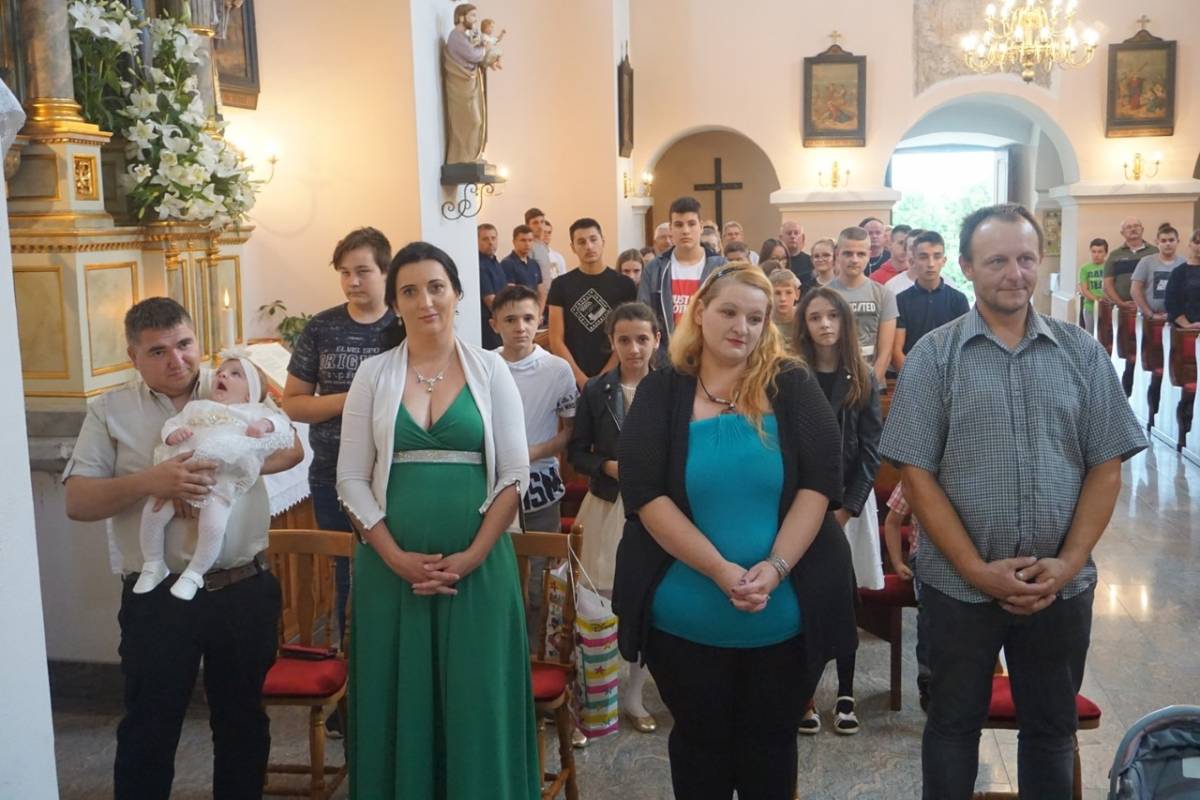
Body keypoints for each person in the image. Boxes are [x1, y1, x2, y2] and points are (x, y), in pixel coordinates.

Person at [880, 204, 1146, 800]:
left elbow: (1106, 465)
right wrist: (976, 570)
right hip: (958, 588)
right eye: (996, 260)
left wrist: (1069, 562)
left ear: (1040, 261)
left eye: (1025, 258)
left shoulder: (1080, 352)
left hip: (1059, 588)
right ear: (968, 266)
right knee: (952, 727)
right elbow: (917, 475)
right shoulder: (935, 356)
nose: (1014, 273)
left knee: (1051, 732)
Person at [613, 263, 857, 800]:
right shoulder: (662, 391)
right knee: (699, 751)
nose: (741, 327)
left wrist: (775, 567)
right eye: (728, 312)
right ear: (700, 312)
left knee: (771, 752)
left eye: (755, 317)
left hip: (784, 614)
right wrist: (722, 571)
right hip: (685, 616)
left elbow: (820, 484)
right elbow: (645, 494)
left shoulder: (792, 385)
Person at [64, 297, 303, 800]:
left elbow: (292, 448)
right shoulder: (109, 410)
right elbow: (79, 501)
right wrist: (154, 481)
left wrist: (216, 470)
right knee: (149, 727)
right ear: (133, 357)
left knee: (242, 724)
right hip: (158, 598)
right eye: (158, 351)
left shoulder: (233, 382)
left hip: (241, 587)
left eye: (185, 344)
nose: (177, 360)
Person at [337, 241, 540, 799]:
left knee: (478, 699)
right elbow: (350, 477)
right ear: (395, 303)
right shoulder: (373, 374)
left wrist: (473, 555)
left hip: (478, 569)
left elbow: (514, 473)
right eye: (409, 291)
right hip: (390, 573)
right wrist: (393, 556)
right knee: (395, 696)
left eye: (435, 287)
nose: (425, 301)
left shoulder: (491, 369)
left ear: (457, 293)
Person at [284, 226, 395, 644]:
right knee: (346, 572)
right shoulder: (322, 327)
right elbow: (294, 403)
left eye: (363, 271)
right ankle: (350, 664)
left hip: (391, 473)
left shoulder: (402, 326)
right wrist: (354, 399)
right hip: (331, 473)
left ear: (385, 271)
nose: (352, 281)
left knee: (391, 569)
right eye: (344, 272)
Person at [793, 286, 884, 736]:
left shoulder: (862, 377)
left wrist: (847, 509)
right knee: (805, 597)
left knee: (845, 599)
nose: (825, 324)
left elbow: (870, 450)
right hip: (800, 509)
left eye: (832, 316)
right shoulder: (791, 376)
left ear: (845, 322)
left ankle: (846, 693)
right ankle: (804, 693)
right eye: (815, 317)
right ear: (804, 325)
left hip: (848, 506)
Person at [569, 301, 662, 733]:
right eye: (624, 340)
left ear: (656, 339)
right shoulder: (597, 390)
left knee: (645, 602)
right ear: (612, 342)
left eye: (642, 339)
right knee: (598, 601)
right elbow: (577, 452)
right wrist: (607, 466)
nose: (634, 348)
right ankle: (594, 693)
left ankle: (634, 696)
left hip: (655, 510)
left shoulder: (671, 387)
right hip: (606, 505)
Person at [136, 352, 292, 601]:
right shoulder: (197, 406)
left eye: (235, 374)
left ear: (250, 393)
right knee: (152, 513)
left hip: (219, 481)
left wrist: (265, 425)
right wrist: (172, 434)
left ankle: (194, 573)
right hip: (180, 475)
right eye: (221, 371)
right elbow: (173, 423)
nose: (223, 375)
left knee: (213, 525)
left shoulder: (255, 412)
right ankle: (153, 563)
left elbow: (283, 427)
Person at [493, 283, 578, 532]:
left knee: (541, 555)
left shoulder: (558, 369)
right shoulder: (483, 366)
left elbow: (571, 429)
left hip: (541, 485)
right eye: (510, 320)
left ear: (540, 320)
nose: (520, 327)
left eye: (528, 318)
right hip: (492, 484)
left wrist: (531, 452)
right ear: (494, 324)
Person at [547, 217, 639, 388]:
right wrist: (580, 379)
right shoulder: (560, 285)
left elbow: (629, 334)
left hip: (615, 375)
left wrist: (603, 378)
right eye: (581, 242)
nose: (589, 246)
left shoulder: (624, 285)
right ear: (573, 247)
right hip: (571, 377)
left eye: (593, 239)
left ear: (603, 241)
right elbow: (555, 339)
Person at [639, 195, 727, 353]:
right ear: (671, 229)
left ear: (701, 227)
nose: (685, 231)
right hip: (666, 356)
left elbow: (728, 313)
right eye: (679, 225)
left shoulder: (721, 268)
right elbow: (644, 317)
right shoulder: (654, 269)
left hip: (709, 354)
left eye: (691, 224)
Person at [892, 230, 971, 372]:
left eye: (937, 256)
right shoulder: (901, 300)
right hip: (912, 374)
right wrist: (916, 378)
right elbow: (896, 352)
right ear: (912, 261)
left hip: (949, 375)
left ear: (944, 261)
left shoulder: (958, 299)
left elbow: (965, 346)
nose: (931, 263)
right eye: (923, 257)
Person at [830, 226, 898, 386]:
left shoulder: (884, 295)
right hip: (832, 383)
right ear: (837, 254)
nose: (854, 260)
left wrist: (870, 386)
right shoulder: (822, 295)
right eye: (848, 253)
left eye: (860, 254)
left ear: (868, 254)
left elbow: (886, 351)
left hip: (872, 384)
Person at [1103, 216, 1158, 396]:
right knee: (1129, 353)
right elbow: (1108, 283)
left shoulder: (1154, 252)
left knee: (1150, 351)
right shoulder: (1115, 255)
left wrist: (1146, 305)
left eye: (1136, 226)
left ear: (1142, 229)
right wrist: (1121, 303)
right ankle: (1125, 393)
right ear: (1122, 232)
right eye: (1129, 227)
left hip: (1149, 311)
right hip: (1125, 311)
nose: (1133, 229)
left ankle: (1151, 393)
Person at [443, 4, 487, 164]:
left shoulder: (465, 36)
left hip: (469, 82)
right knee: (471, 121)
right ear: (461, 17)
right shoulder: (456, 37)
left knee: (476, 120)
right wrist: (483, 49)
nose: (475, 20)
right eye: (472, 16)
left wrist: (479, 42)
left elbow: (474, 51)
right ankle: (462, 158)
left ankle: (471, 156)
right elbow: (473, 55)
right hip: (461, 86)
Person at [1132, 224, 1185, 322]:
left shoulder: (1184, 263)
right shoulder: (1146, 262)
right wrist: (1150, 314)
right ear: (1157, 242)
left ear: (1178, 241)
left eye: (1171, 240)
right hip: (1150, 320)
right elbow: (1135, 290)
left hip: (1177, 320)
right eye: (1163, 241)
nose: (1168, 244)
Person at [476, 222, 507, 349]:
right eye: (485, 239)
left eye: (493, 238)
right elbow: (490, 300)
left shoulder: (494, 261)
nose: (490, 242)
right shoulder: (479, 264)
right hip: (489, 324)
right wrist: (507, 320)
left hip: (500, 319)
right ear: (476, 241)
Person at [1165, 228, 1200, 329]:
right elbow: (1171, 303)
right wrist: (1187, 325)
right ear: (1190, 244)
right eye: (1197, 242)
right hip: (1186, 329)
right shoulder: (1178, 272)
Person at [1077, 238, 1108, 333]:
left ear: (1105, 253)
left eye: (1100, 252)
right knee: (1090, 334)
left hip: (1107, 307)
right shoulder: (1085, 268)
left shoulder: (1109, 267)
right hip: (1090, 307)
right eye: (1093, 251)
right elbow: (1084, 290)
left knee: (1105, 334)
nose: (1096, 255)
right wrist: (1097, 300)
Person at [502, 224, 542, 294]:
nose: (527, 244)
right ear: (514, 242)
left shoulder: (534, 263)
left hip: (534, 300)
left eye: (530, 240)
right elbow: (510, 293)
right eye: (523, 240)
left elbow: (540, 289)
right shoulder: (507, 264)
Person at [884, 228, 923, 297]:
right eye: (911, 249)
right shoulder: (891, 286)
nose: (916, 253)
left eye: (921, 249)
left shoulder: (943, 284)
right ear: (905, 251)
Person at [770, 268, 801, 343]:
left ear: (797, 294)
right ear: (769, 295)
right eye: (777, 293)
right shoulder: (764, 322)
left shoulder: (804, 319)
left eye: (788, 292)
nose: (783, 299)